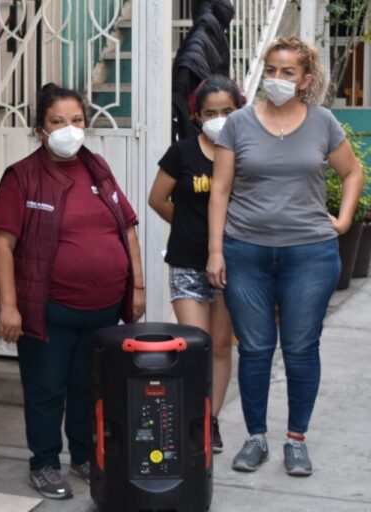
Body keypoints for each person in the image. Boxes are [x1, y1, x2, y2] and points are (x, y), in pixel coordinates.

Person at [207, 37, 363, 476]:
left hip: (309, 255)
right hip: (245, 253)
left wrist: (345, 220)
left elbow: (351, 172)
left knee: (300, 349)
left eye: (287, 72)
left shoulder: (323, 122)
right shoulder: (237, 123)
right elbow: (219, 190)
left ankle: (296, 440)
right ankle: (256, 438)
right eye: (271, 70)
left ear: (305, 80)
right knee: (255, 349)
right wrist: (216, 251)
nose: (276, 79)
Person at [0, 83, 145, 500]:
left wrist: (138, 287)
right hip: (48, 310)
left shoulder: (98, 169)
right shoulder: (21, 177)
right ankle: (44, 463)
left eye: (76, 120)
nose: (69, 129)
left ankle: (84, 455)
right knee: (46, 389)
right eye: (58, 121)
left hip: (103, 309)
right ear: (41, 128)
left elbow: (127, 228)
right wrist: (8, 307)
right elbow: (0, 241)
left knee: (87, 388)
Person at [149, 75, 244, 454]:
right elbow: (158, 199)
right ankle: (189, 416)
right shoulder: (182, 153)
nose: (219, 118)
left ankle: (211, 420)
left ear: (240, 111)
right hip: (188, 262)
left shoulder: (246, 152)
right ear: (197, 115)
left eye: (227, 111)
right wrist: (188, 225)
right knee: (194, 345)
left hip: (233, 264)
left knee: (221, 346)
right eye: (211, 112)